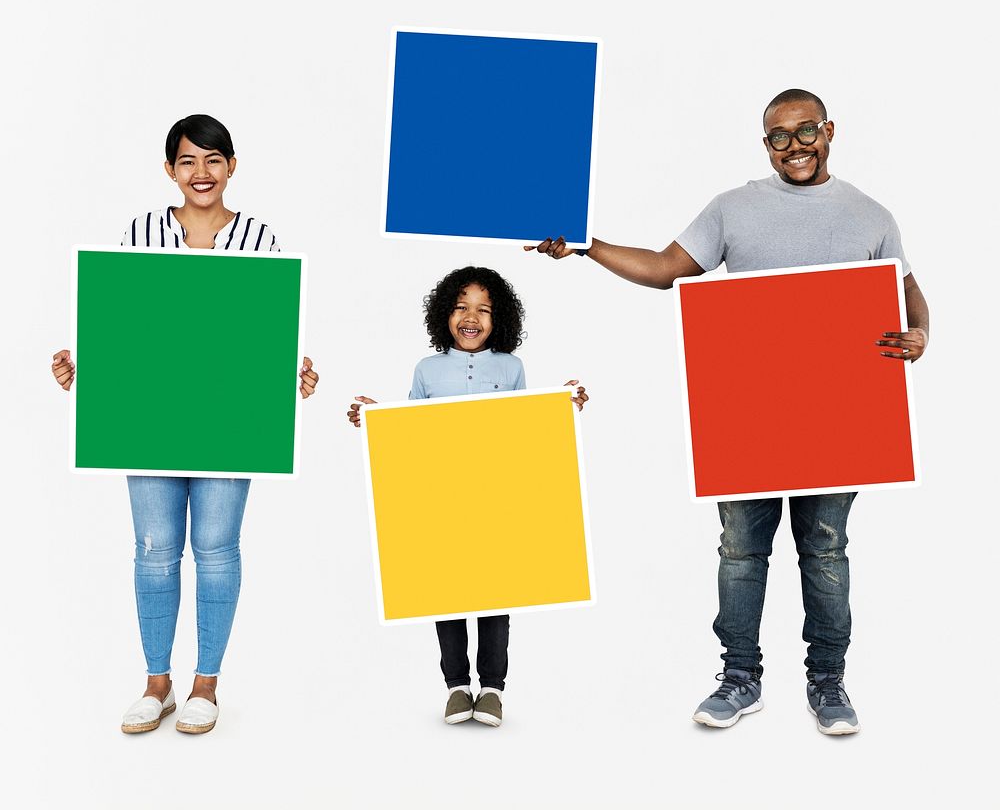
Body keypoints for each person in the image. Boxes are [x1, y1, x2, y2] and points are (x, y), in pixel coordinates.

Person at [526, 89, 929, 736]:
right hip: (751, 415)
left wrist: (921, 333)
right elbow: (664, 269)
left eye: (805, 132)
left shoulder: (871, 215)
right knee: (741, 550)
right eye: (778, 136)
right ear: (763, 143)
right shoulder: (733, 208)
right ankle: (739, 675)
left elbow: (906, 289)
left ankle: (827, 679)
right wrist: (585, 245)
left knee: (824, 549)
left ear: (830, 131)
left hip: (839, 418)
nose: (794, 146)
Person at [50, 114, 319, 735]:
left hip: (228, 423)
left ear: (232, 167)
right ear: (170, 170)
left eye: (214, 160)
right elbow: (121, 321)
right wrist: (81, 361)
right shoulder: (140, 231)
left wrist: (294, 370)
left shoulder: (260, 239)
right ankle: (156, 684)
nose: (202, 173)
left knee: (217, 551)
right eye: (189, 161)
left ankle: (206, 686)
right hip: (150, 420)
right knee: (153, 551)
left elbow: (268, 334)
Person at [347, 266, 588, 727]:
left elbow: (524, 427)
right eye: (461, 307)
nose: (470, 317)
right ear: (445, 314)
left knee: (497, 596)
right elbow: (408, 431)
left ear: (500, 319)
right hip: (443, 501)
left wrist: (561, 407)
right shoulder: (427, 369)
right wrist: (377, 419)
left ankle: (493, 689)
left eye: (483, 309)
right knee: (447, 594)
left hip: (495, 500)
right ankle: (457, 686)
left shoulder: (511, 367)